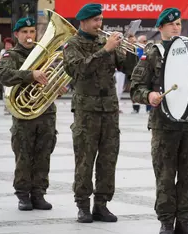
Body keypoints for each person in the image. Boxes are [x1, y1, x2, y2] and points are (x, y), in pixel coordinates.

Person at [130, 8, 188, 234]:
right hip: (164, 125)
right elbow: (136, 88)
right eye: (171, 25)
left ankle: (185, 219)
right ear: (160, 28)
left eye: (179, 24)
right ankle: (166, 221)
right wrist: (149, 96)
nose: (176, 28)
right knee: (165, 175)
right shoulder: (153, 53)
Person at [63, 3, 137, 223]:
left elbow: (129, 69)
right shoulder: (72, 45)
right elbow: (78, 70)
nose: (100, 24)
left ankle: (102, 204)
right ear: (84, 21)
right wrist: (104, 50)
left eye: (101, 20)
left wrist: (129, 47)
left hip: (110, 110)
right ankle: (83, 205)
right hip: (87, 112)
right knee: (85, 159)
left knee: (108, 159)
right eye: (96, 20)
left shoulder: (106, 43)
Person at [0, 17, 60, 211]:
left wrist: (57, 85)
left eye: (32, 32)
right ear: (17, 35)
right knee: (23, 154)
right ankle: (23, 195)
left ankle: (39, 193)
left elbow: (54, 76)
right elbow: (4, 76)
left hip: (45, 112)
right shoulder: (11, 55)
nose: (29, 36)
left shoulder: (45, 53)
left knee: (44, 154)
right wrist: (30, 74)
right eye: (24, 32)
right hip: (24, 115)